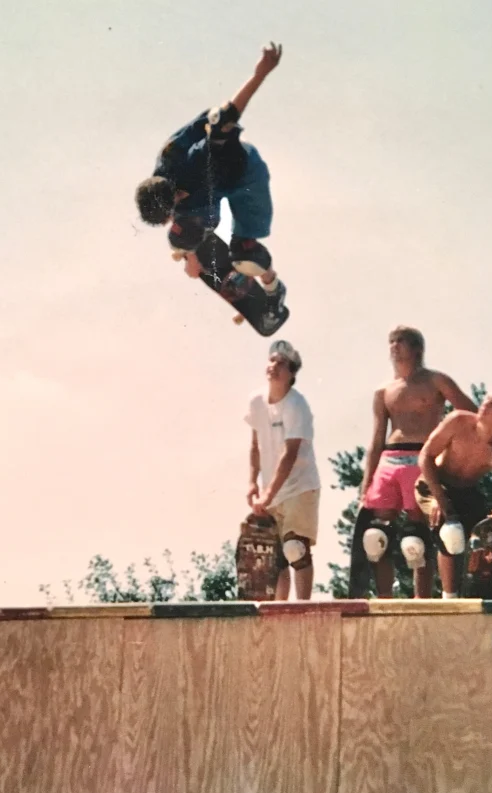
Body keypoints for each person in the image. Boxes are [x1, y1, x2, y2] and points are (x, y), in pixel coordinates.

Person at [135, 42, 286, 319]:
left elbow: (225, 116)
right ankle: (198, 243)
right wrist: (190, 257)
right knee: (180, 236)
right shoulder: (166, 176)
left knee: (247, 256)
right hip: (207, 195)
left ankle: (274, 287)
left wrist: (261, 73)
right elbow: (172, 213)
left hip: (246, 177)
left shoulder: (201, 155)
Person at [358, 326, 476, 598]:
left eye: (401, 342)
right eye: (391, 342)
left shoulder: (436, 381)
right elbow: (376, 439)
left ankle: (420, 600)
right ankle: (384, 600)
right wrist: (366, 481)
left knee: (417, 538)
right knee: (375, 538)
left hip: (422, 457)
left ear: (417, 349)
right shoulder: (383, 391)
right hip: (389, 459)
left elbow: (470, 415)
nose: (394, 347)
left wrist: (453, 456)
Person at [244, 340, 320, 600]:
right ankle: (278, 614)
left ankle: (303, 608)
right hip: (271, 490)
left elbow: (290, 454)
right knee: (273, 558)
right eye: (272, 360)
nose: (274, 366)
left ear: (292, 374)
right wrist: (253, 483)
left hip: (299, 487)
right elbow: (255, 445)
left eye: (282, 363)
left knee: (295, 548)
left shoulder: (297, 405)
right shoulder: (256, 402)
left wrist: (267, 494)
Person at [414, 382, 492, 598]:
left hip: (467, 492)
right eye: (486, 400)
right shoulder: (458, 422)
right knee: (451, 531)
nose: (484, 405)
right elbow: (425, 456)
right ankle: (449, 597)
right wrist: (439, 498)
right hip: (433, 483)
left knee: (491, 536)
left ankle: (482, 593)